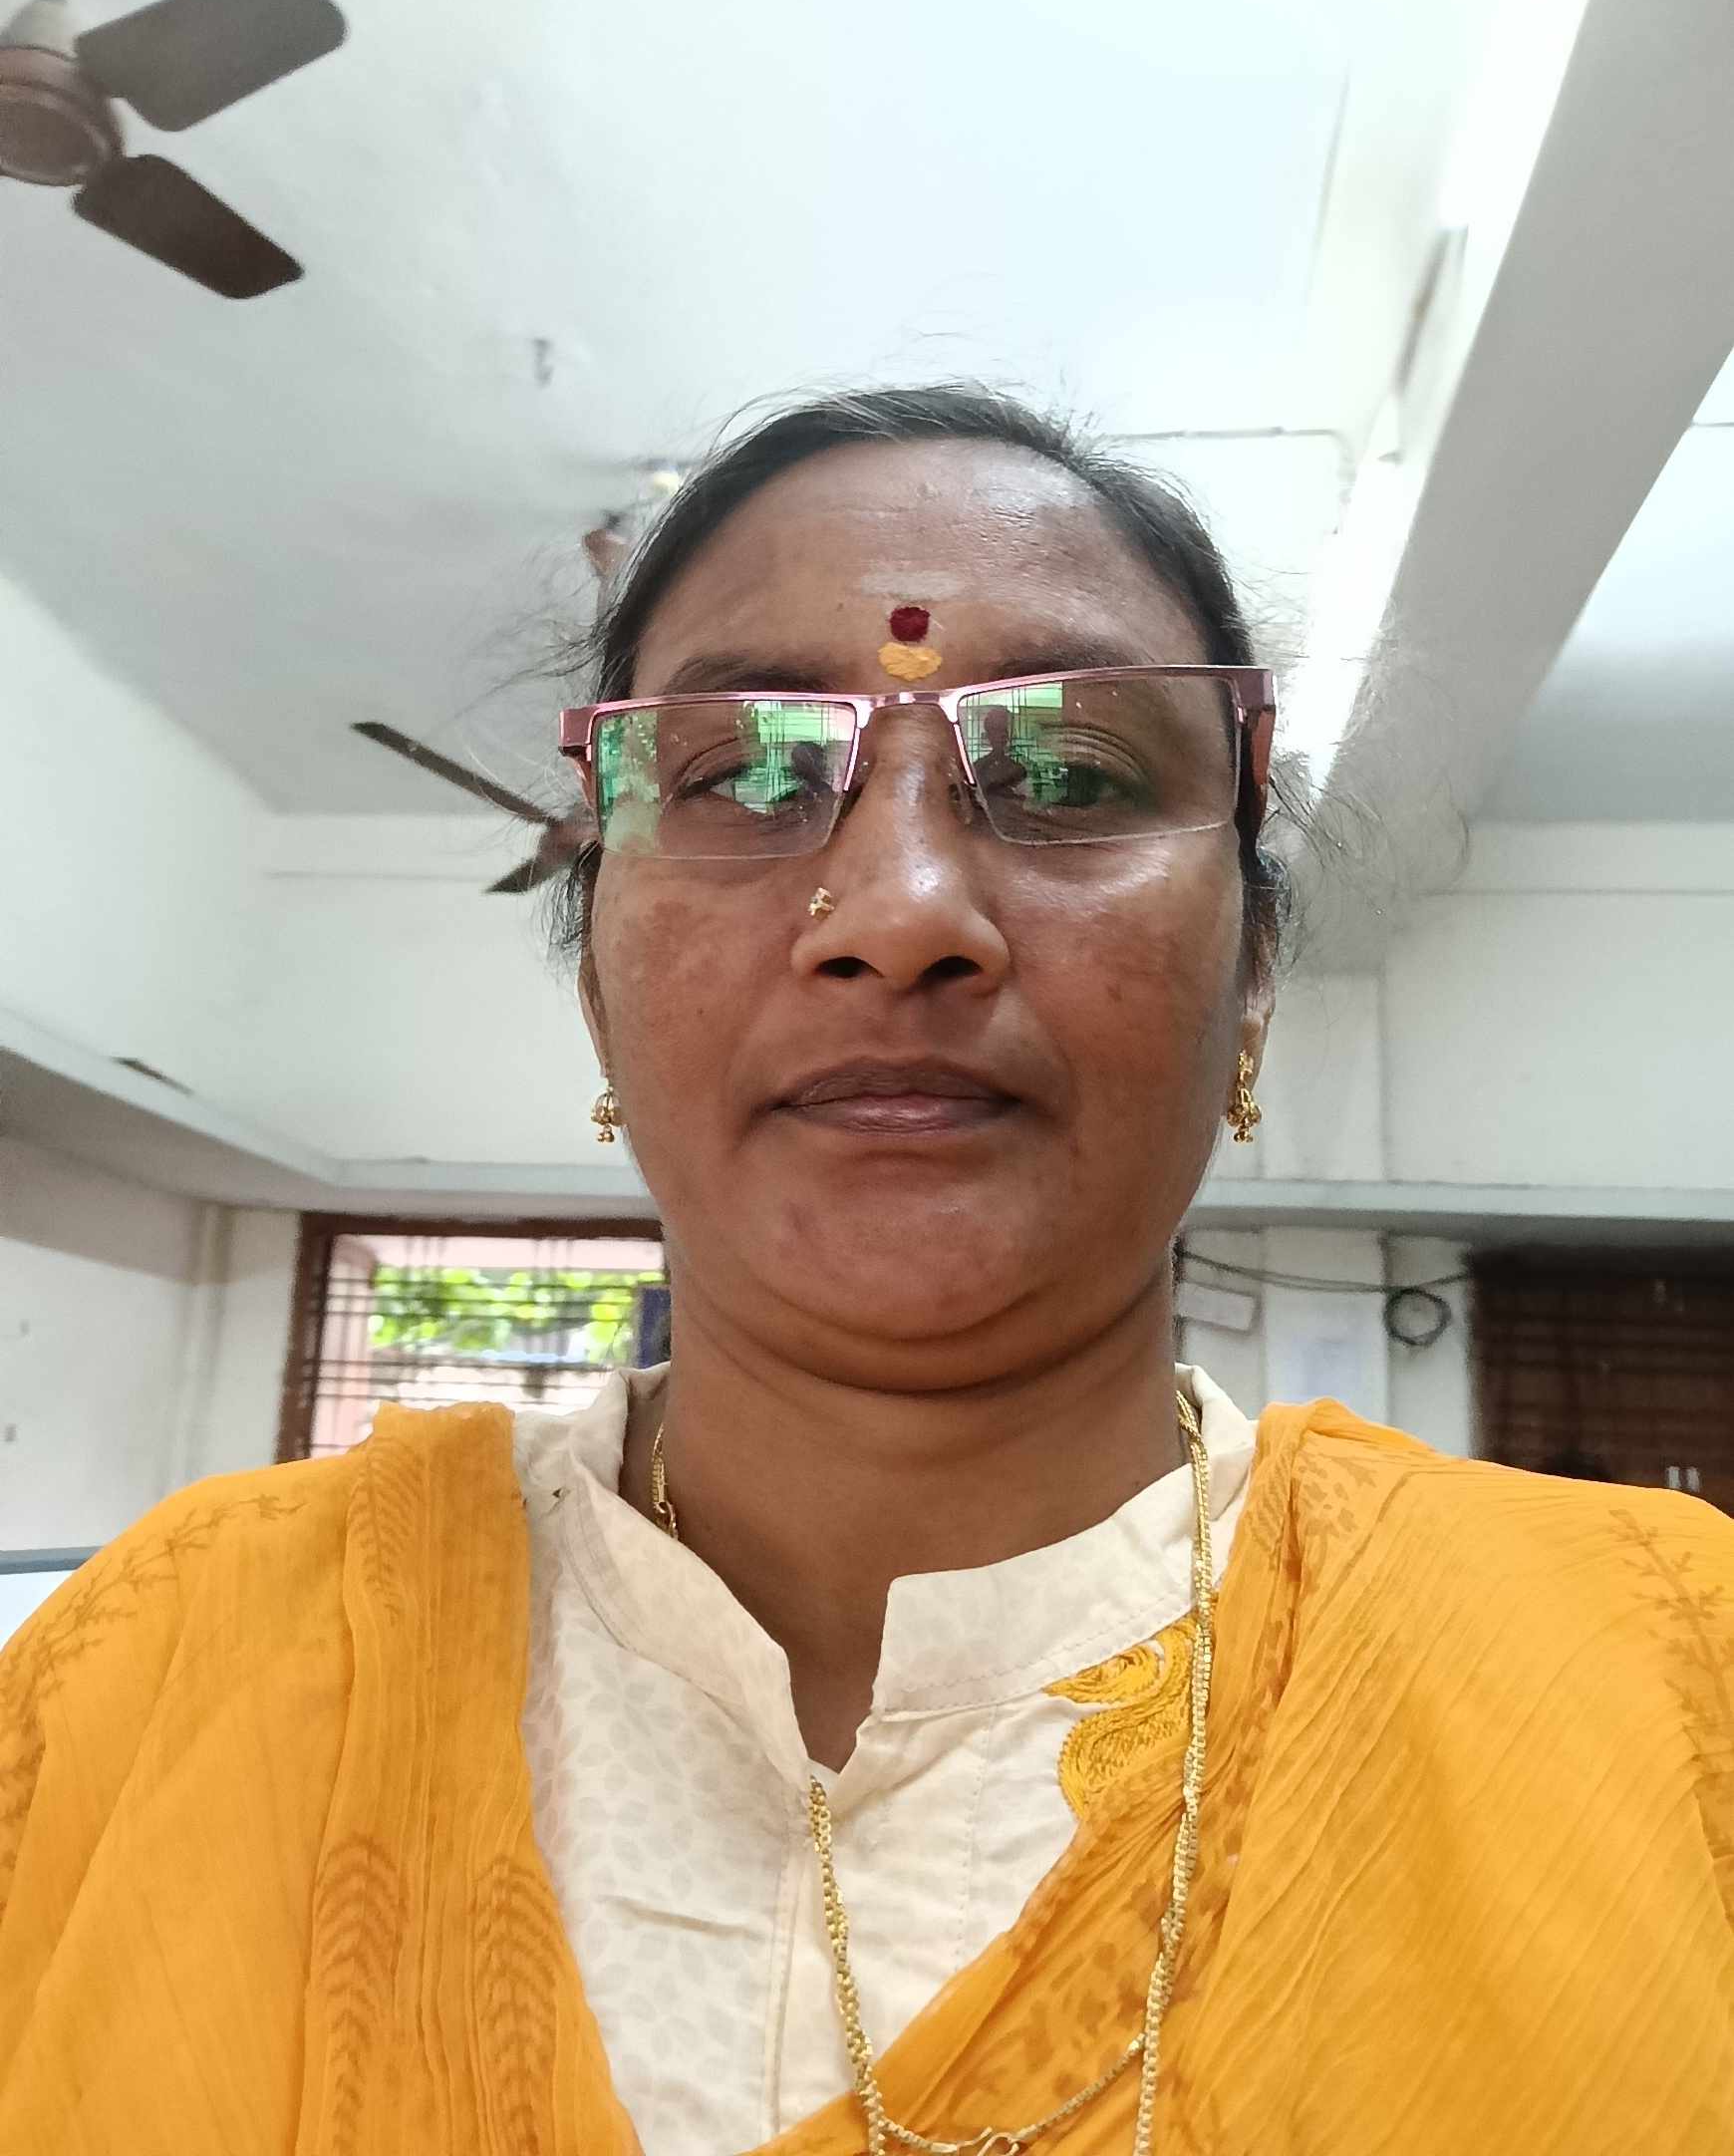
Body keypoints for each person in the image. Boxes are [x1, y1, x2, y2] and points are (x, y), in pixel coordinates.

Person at [2, 387, 1729, 2156]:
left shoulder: (1673, 1683)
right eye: (745, 777)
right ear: (597, 987)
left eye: (1070, 776)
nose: (901, 916)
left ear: (1254, 982)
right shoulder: (148, 1673)